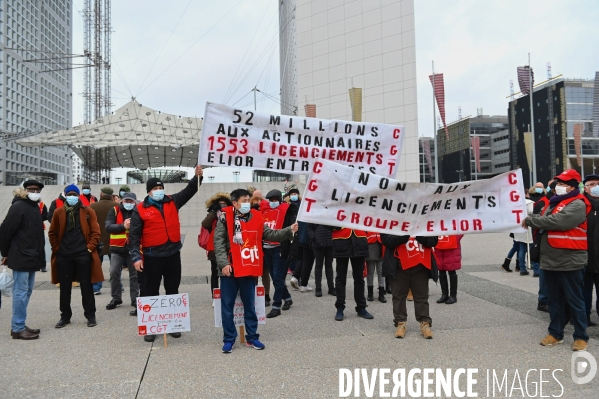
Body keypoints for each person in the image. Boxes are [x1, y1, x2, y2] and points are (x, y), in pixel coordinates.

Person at [214, 188, 298, 353]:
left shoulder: (257, 217)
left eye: (248, 200)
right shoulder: (224, 217)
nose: (247, 203)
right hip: (229, 270)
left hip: (248, 268)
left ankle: (252, 337)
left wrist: (289, 230)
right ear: (235, 203)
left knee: (250, 306)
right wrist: (224, 264)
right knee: (227, 306)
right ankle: (229, 339)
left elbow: (271, 234)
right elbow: (219, 242)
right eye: (244, 201)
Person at [129, 166, 203, 343]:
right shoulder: (140, 209)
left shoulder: (173, 201)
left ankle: (173, 325)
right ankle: (150, 327)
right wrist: (136, 257)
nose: (159, 191)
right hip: (152, 256)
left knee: (172, 289)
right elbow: (134, 236)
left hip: (172, 255)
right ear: (149, 191)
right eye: (155, 189)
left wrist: (197, 177)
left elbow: (190, 190)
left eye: (160, 188)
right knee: (150, 291)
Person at [523, 169, 590, 351]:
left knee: (574, 300)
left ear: (573, 187)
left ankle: (581, 336)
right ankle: (555, 333)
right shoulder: (552, 203)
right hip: (550, 259)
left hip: (570, 260)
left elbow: (558, 222)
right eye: (558, 183)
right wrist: (530, 217)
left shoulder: (578, 204)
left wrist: (531, 221)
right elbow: (546, 218)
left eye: (563, 183)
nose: (558, 186)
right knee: (554, 300)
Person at [48, 184, 104, 328]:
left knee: (86, 286)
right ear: (65, 196)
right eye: (70, 194)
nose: (72, 196)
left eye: (74, 194)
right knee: (65, 288)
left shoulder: (87, 211)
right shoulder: (58, 212)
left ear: (78, 195)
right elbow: (52, 233)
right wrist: (57, 248)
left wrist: (89, 249)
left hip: (83, 254)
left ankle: (90, 315)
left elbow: (96, 233)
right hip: (64, 255)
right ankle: (65, 316)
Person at [0, 180, 46, 340]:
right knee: (20, 292)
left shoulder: (34, 207)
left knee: (27, 291)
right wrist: (4, 253)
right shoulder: (18, 206)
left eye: (37, 189)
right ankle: (17, 327)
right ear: (25, 190)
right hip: (21, 255)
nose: (34, 192)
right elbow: (5, 230)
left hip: (32, 256)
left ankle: (19, 324)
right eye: (31, 189)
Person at [381, 235, 438, 339]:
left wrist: (420, 237)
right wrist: (403, 237)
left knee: (422, 296)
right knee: (398, 295)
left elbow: (433, 241)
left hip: (421, 264)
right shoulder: (391, 220)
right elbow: (386, 240)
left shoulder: (425, 219)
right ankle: (400, 323)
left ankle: (425, 323)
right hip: (399, 265)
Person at [261, 189, 297, 318]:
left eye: (275, 200)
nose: (272, 202)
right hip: (266, 248)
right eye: (271, 200)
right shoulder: (263, 211)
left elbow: (292, 227)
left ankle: (276, 306)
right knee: (275, 277)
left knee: (277, 278)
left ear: (280, 200)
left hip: (279, 249)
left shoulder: (287, 211)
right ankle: (287, 298)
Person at [105, 192, 140, 314]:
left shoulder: (138, 211)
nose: (128, 203)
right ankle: (116, 298)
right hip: (117, 248)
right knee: (114, 272)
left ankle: (135, 299)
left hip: (133, 248)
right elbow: (108, 227)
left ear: (135, 202)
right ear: (122, 201)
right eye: (126, 201)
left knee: (134, 275)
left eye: (131, 201)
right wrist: (123, 226)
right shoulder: (114, 210)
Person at [332, 228, 373, 321]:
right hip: (341, 241)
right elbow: (327, 223)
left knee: (359, 279)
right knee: (340, 278)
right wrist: (335, 226)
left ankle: (361, 307)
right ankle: (340, 307)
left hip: (359, 241)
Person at [201, 192, 232, 305]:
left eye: (224, 203)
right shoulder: (213, 214)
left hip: (229, 247)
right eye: (220, 204)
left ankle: (228, 294)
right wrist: (214, 212)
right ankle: (215, 297)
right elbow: (205, 224)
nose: (222, 205)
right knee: (215, 274)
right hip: (213, 248)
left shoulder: (231, 213)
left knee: (228, 272)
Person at [90, 187, 118, 295]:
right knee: (115, 266)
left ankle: (96, 287)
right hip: (114, 240)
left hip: (98, 241)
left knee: (97, 265)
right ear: (111, 196)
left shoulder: (92, 206)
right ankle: (117, 286)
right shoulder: (117, 206)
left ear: (101, 194)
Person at [582, 174, 599, 327]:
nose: (595, 186)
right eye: (591, 184)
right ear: (585, 188)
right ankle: (584, 318)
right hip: (583, 259)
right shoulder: (580, 205)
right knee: (584, 292)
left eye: (597, 184)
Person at [307, 223, 335, 297]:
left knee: (329, 266)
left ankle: (331, 287)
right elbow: (309, 227)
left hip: (330, 242)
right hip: (318, 243)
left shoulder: (331, 212)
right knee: (319, 266)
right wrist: (314, 237)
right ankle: (318, 288)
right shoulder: (314, 213)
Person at [435, 235, 463, 304]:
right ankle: (444, 294)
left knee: (451, 270)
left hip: (451, 246)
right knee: (441, 270)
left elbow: (461, 230)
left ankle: (453, 295)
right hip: (439, 245)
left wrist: (454, 239)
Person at [513, 199, 536, 277]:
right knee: (532, 249)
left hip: (518, 227)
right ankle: (536, 269)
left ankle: (522, 269)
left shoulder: (514, 203)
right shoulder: (529, 203)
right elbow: (533, 212)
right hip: (528, 227)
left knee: (522, 249)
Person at [365, 231, 386, 303]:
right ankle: (370, 293)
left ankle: (381, 293)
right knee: (370, 271)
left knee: (381, 271)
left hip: (381, 243)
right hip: (370, 243)